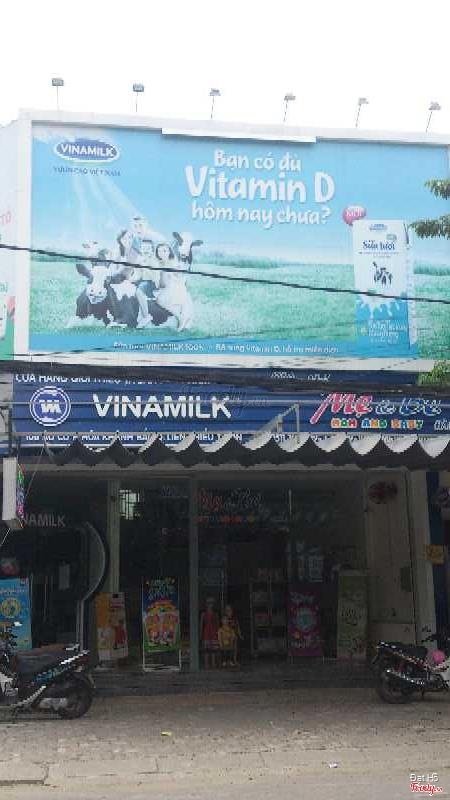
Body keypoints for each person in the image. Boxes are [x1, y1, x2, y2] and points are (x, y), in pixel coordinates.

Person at [200, 597, 219, 669]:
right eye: (208, 603)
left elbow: (217, 624)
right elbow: (201, 625)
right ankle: (206, 663)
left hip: (214, 632)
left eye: (211, 603)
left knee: (213, 649)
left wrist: (218, 633)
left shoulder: (215, 614)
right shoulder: (203, 614)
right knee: (206, 649)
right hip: (206, 632)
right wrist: (200, 634)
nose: (210, 605)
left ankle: (213, 663)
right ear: (206, 604)